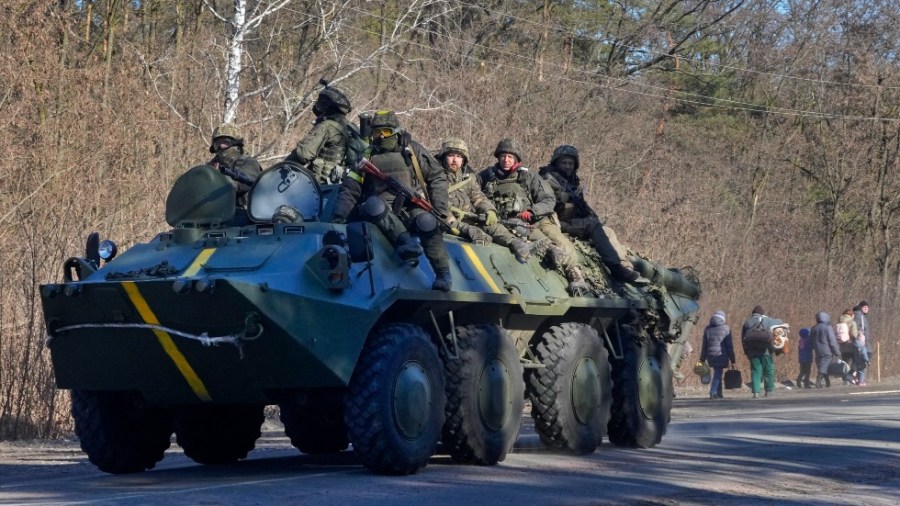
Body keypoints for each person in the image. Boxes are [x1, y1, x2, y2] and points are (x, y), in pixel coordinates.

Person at [331, 110, 453, 291]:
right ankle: (405, 242)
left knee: (428, 221)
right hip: (379, 213)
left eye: (386, 132)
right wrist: (339, 218)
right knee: (373, 204)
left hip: (409, 207)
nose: (381, 137)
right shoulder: (367, 156)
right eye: (376, 133)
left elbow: (437, 177)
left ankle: (443, 273)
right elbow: (351, 188)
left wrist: (440, 209)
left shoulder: (412, 151)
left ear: (396, 131)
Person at [478, 138, 590, 295]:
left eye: (510, 157)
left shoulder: (528, 176)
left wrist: (532, 212)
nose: (506, 160)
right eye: (503, 156)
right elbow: (473, 194)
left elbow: (548, 199)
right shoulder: (486, 176)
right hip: (501, 220)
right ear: (498, 157)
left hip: (533, 220)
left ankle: (575, 275)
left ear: (516, 158)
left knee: (560, 242)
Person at [539, 145, 644, 283]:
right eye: (564, 163)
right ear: (556, 163)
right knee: (593, 225)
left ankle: (625, 266)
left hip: (572, 221)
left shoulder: (573, 183)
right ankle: (616, 268)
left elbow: (582, 206)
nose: (567, 166)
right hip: (556, 222)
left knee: (608, 231)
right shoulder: (548, 178)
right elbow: (546, 202)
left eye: (570, 163)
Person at [436, 138, 533, 261]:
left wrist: (489, 210)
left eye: (459, 156)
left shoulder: (467, 178)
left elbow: (478, 196)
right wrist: (466, 228)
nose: (455, 160)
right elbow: (440, 211)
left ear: (464, 159)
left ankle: (514, 243)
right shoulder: (435, 176)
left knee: (492, 225)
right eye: (451, 155)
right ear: (444, 157)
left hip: (469, 218)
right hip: (448, 221)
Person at [284, 79, 354, 184]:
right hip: (340, 186)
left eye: (322, 103)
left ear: (328, 105)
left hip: (320, 185)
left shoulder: (327, 126)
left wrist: (281, 168)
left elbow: (303, 154)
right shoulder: (350, 127)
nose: (318, 106)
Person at [207, 122, 262, 214]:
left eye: (225, 143)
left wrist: (219, 180)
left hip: (243, 214)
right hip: (214, 214)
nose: (221, 147)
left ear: (236, 144)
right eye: (217, 145)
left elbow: (243, 183)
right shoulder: (211, 166)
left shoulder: (249, 163)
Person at [741, 305, 783, 398]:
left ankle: (756, 392)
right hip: (766, 351)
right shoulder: (768, 321)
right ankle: (769, 390)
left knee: (756, 371)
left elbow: (743, 339)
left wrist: (746, 351)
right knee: (769, 370)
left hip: (752, 351)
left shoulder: (747, 322)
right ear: (762, 313)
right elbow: (780, 322)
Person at [699, 310, 735, 399]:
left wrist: (702, 358)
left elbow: (704, 345)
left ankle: (719, 393)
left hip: (710, 355)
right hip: (721, 354)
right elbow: (729, 346)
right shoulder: (726, 329)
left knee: (718, 372)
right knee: (718, 373)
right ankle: (713, 392)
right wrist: (732, 358)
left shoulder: (707, 329)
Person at [810, 311, 840, 388]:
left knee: (822, 365)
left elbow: (811, 340)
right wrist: (837, 352)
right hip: (827, 350)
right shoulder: (827, 328)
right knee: (825, 365)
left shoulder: (814, 328)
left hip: (817, 349)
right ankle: (818, 381)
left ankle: (828, 382)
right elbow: (832, 341)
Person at [836, 309, 858, 385]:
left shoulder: (839, 322)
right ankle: (849, 376)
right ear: (852, 315)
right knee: (856, 361)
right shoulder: (852, 322)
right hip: (851, 345)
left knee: (845, 363)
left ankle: (845, 379)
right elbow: (854, 335)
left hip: (842, 346)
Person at [853, 301, 872, 386]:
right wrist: (861, 336)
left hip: (865, 341)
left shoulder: (861, 316)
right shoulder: (859, 316)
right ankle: (859, 379)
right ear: (861, 307)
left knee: (862, 360)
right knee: (863, 361)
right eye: (864, 307)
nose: (866, 309)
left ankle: (857, 378)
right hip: (862, 341)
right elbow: (857, 327)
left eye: (867, 308)